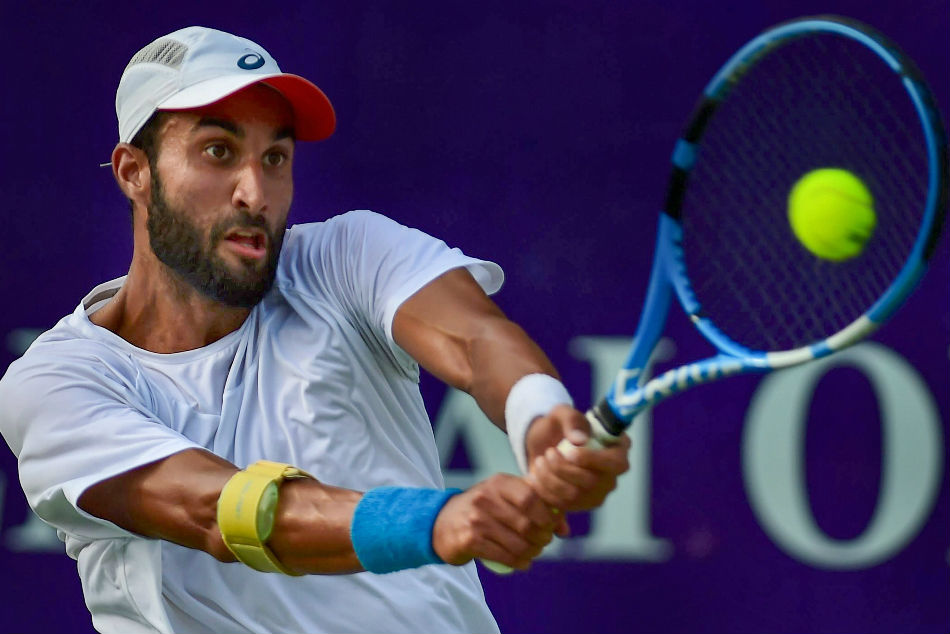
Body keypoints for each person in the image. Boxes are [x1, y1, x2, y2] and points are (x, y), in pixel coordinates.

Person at [0, 26, 630, 634]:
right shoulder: (55, 384)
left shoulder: (347, 256)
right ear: (133, 171)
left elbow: (476, 340)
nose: (255, 193)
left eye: (275, 158)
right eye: (219, 151)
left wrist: (540, 417)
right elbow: (216, 512)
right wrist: (433, 523)